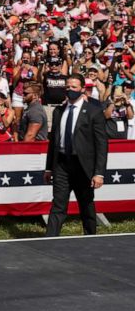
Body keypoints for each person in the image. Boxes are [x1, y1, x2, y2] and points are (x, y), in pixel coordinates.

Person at [44, 74, 108, 236]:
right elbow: (54, 142)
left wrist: (99, 173)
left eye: (73, 87)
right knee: (58, 205)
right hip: (62, 165)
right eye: (67, 87)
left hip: (83, 167)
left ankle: (90, 237)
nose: (70, 90)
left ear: (82, 89)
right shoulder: (59, 111)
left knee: (86, 204)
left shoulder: (94, 112)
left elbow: (101, 145)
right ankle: (49, 240)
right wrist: (48, 168)